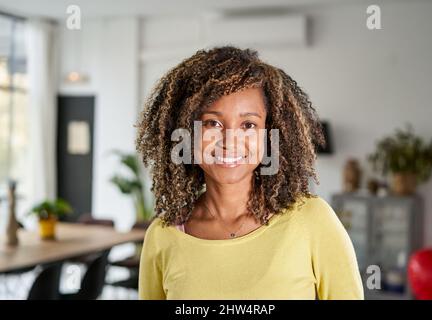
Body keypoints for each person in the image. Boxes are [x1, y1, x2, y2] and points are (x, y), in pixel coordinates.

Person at [136, 46, 363, 300]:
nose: (230, 140)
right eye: (213, 123)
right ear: (187, 133)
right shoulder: (162, 237)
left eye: (248, 124)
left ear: (269, 135)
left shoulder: (312, 221)